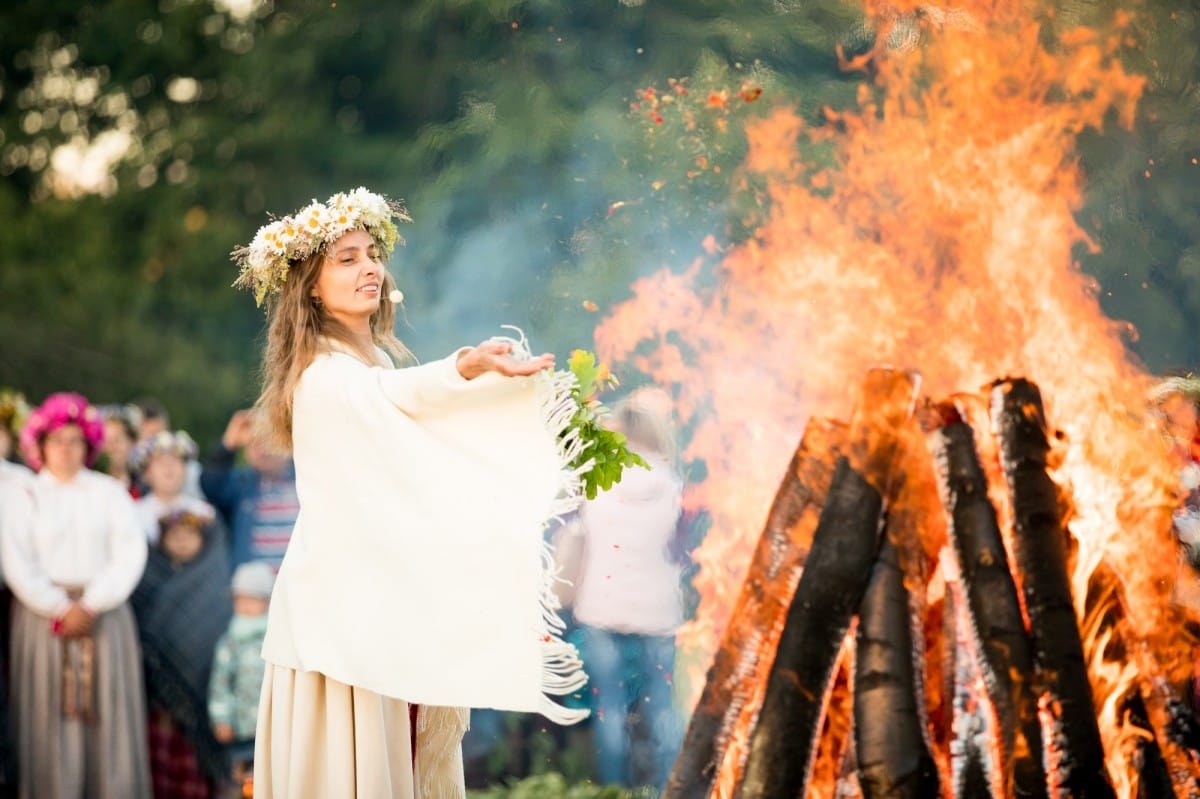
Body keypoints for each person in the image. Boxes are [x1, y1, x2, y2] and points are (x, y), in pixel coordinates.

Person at [231, 187, 590, 798]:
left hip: (378, 609)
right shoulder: (325, 377)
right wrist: (466, 367)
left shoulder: (368, 364)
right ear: (311, 286)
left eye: (372, 254)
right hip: (341, 627)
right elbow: (392, 403)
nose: (370, 267)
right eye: (347, 258)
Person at [1, 392, 151, 798]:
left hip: (103, 616)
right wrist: (57, 606)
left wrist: (91, 603)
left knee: (108, 717)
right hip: (43, 621)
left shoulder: (107, 492)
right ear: (41, 445)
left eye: (74, 440)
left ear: (88, 445)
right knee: (48, 722)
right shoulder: (23, 495)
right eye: (56, 440)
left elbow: (130, 551)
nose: (65, 450)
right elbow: (15, 558)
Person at [562, 388, 686, 792]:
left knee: (610, 709)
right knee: (662, 710)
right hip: (658, 610)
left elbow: (578, 534)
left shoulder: (595, 477)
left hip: (603, 604)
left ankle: (614, 790)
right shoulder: (671, 485)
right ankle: (669, 788)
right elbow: (679, 550)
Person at [131, 509, 233, 799]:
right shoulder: (150, 577)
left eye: (190, 535)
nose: (183, 542)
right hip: (161, 698)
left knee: (196, 762)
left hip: (204, 687)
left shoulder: (213, 580)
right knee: (163, 759)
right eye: (175, 536)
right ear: (162, 540)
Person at [200, 410, 298, 575]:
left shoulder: (306, 479)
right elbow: (210, 484)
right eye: (253, 443)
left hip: (299, 584)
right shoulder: (242, 485)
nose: (260, 449)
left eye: (267, 440)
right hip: (254, 592)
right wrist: (229, 443)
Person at [208, 561, 275, 794]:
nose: (245, 605)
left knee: (271, 777)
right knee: (242, 781)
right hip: (241, 727)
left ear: (267, 602)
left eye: (253, 599)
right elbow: (220, 684)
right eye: (240, 599)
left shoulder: (276, 639)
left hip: (273, 727)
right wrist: (222, 718)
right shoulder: (231, 641)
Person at [134, 430, 215, 544]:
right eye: (160, 462)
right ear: (146, 473)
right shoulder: (134, 514)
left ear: (186, 469)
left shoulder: (204, 512)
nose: (169, 467)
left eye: (176, 460)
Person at [99, 404, 144, 499]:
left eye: (117, 440)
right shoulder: (88, 486)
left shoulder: (144, 490)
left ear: (132, 442)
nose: (111, 447)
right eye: (105, 441)